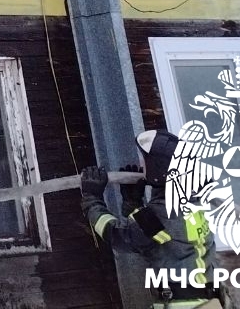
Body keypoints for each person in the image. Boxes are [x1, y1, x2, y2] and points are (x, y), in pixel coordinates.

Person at [80, 130, 226, 309]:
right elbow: (159, 237)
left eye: (145, 161)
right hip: (207, 301)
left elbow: (119, 237)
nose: (142, 165)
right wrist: (134, 204)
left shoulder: (162, 213)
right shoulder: (192, 200)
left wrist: (92, 199)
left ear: (159, 169)